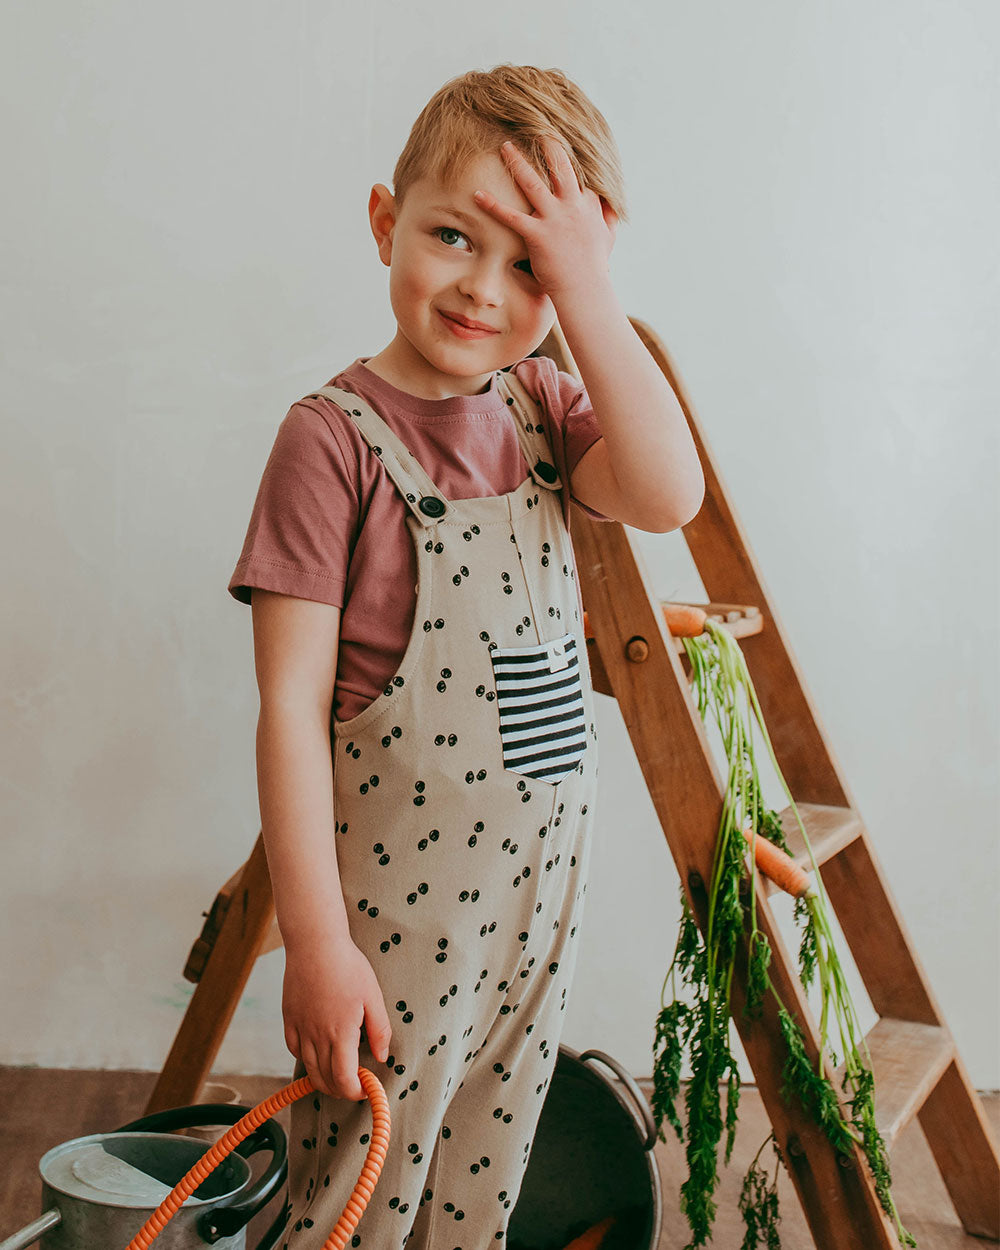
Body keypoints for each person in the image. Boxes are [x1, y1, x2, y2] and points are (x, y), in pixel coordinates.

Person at [228, 63, 704, 1250]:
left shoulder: (545, 403)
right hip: (392, 923)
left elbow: (668, 492)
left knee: (474, 1197)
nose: (484, 290)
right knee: (362, 1193)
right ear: (386, 219)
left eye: (528, 264)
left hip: (535, 911)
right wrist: (319, 942)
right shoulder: (329, 442)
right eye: (451, 236)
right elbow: (289, 709)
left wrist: (587, 288)